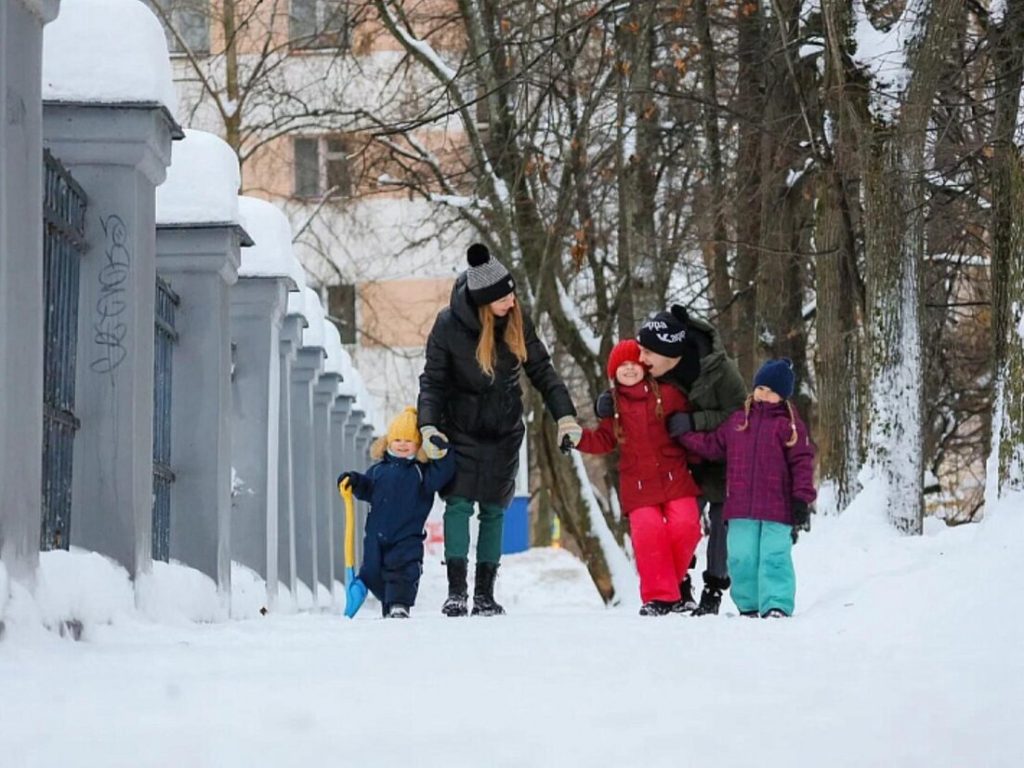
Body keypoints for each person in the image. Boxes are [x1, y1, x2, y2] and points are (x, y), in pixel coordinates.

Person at [418, 243, 581, 617]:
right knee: (457, 505)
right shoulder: (448, 325)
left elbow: (543, 371)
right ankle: (457, 591)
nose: (512, 300)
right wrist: (427, 425)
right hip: (458, 429)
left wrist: (566, 417)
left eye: (512, 292)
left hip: (504, 431)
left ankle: (485, 594)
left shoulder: (517, 323)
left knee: (493, 510)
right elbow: (434, 381)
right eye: (504, 296)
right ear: (484, 301)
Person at [597, 305, 746, 614]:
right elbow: (632, 391)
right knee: (683, 522)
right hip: (683, 459)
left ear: (669, 353)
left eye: (647, 353)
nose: (642, 359)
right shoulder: (657, 370)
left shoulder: (719, 370)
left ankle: (714, 589)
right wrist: (609, 401)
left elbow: (739, 413)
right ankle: (678, 586)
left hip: (722, 457)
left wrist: (696, 421)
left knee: (720, 520)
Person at [677, 359, 815, 618]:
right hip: (740, 507)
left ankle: (776, 604)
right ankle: (749, 605)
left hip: (778, 508)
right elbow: (712, 445)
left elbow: (802, 463)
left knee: (774, 557)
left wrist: (801, 499)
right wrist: (684, 434)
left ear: (783, 395)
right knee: (741, 558)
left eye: (772, 391)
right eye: (761, 388)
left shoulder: (790, 426)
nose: (764, 394)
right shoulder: (738, 421)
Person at [575, 340, 703, 615]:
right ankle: (661, 597)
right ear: (613, 371)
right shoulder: (613, 405)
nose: (630, 369)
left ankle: (675, 583)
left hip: (675, 477)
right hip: (638, 484)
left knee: (686, 526)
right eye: (622, 365)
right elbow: (603, 440)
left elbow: (692, 414)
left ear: (645, 366)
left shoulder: (669, 394)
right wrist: (577, 437)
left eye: (634, 363)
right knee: (648, 533)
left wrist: (696, 431)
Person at [337, 406, 455, 619]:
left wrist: (444, 453)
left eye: (408, 441)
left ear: (418, 445)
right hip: (376, 537)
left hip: (406, 537)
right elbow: (366, 487)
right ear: (388, 441)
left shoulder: (421, 472)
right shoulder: (378, 470)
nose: (402, 445)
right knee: (373, 570)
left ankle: (399, 605)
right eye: (397, 440)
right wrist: (353, 480)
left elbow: (442, 473)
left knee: (402, 571)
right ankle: (367, 591)